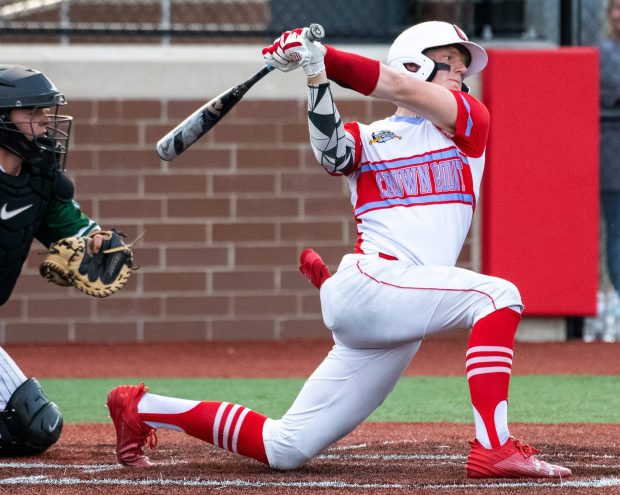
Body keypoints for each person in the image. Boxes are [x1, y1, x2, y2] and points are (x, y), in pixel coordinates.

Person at [107, 22, 571, 479]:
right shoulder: (368, 137)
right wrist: (315, 76)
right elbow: (332, 153)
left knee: (285, 446)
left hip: (395, 309)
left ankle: (141, 407)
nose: (459, 75)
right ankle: (495, 448)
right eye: (449, 63)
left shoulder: (469, 121)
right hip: (373, 282)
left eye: (463, 68)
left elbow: (395, 86)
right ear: (415, 62)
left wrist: (321, 56)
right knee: (497, 296)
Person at [0, 64, 106, 456]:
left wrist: (99, 244)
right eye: (32, 111)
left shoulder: (39, 180)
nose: (46, 121)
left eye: (47, 111)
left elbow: (75, 231)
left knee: (34, 427)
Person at [598, 0, 620, 340]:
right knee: (616, 231)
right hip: (612, 153)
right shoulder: (600, 52)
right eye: (614, 8)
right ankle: (617, 304)